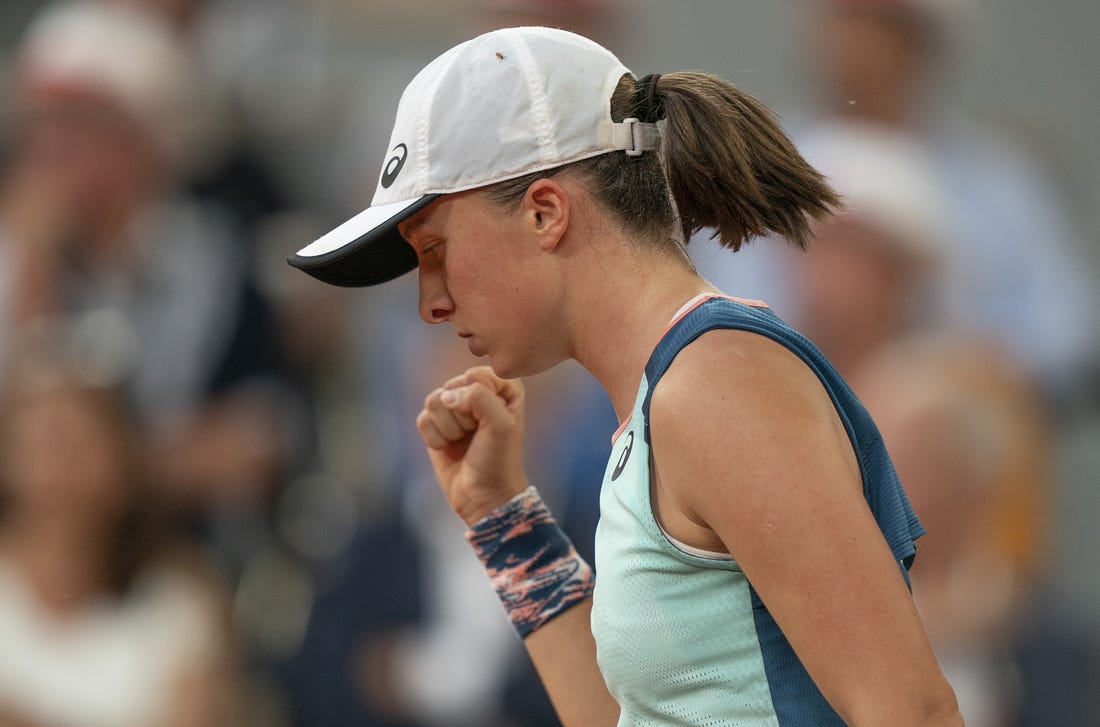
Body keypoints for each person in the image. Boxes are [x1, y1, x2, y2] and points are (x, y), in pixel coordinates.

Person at [289, 26, 961, 725]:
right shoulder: (671, 391)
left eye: (435, 249)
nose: (429, 302)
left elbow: (913, 711)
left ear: (545, 212)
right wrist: (504, 519)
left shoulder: (713, 383)